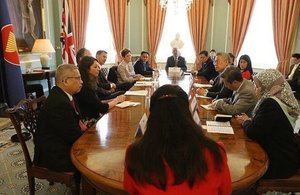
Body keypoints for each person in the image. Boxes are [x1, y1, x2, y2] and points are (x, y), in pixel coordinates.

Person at [124, 84, 232, 195]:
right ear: (187, 112)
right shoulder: (216, 152)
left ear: (152, 114)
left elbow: (131, 191)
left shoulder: (134, 154)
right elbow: (225, 191)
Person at [236, 69, 300, 179]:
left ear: (267, 86)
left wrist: (246, 121)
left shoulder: (271, 103)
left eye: (257, 86)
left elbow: (253, 132)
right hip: (281, 155)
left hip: (278, 161)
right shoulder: (278, 99)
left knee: (240, 168)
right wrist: (250, 122)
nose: (255, 89)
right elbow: (263, 125)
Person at [33, 64, 84, 183]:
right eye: (78, 78)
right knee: (92, 155)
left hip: (60, 142)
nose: (81, 82)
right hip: (53, 155)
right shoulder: (59, 104)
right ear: (66, 81)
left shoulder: (64, 94)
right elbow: (74, 136)